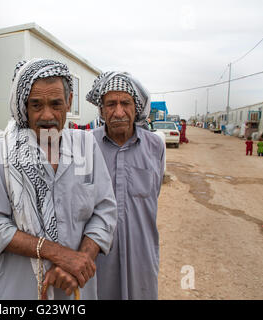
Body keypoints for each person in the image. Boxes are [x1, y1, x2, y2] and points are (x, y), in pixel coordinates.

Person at [0, 59, 117, 300]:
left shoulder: (86, 147)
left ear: (69, 102)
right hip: (19, 293)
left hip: (75, 289)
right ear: (24, 106)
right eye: (36, 105)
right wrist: (59, 254)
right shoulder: (1, 154)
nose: (47, 115)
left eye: (56, 104)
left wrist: (79, 262)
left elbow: (104, 211)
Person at [86, 71, 165, 300]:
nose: (118, 112)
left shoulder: (155, 146)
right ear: (101, 110)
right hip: (97, 256)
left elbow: (154, 194)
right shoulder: (86, 145)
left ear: (136, 107)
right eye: (111, 104)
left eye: (125, 103)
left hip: (141, 254)